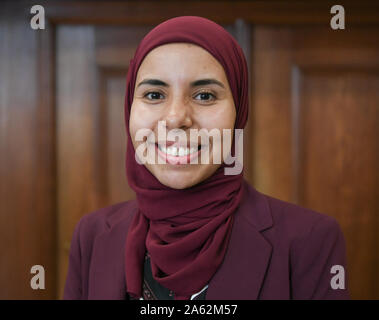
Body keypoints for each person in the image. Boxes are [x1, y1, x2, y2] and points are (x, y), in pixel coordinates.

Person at [63, 16, 350, 300]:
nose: (176, 118)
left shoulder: (309, 241)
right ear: (129, 108)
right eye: (153, 94)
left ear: (239, 112)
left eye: (204, 96)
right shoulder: (92, 237)